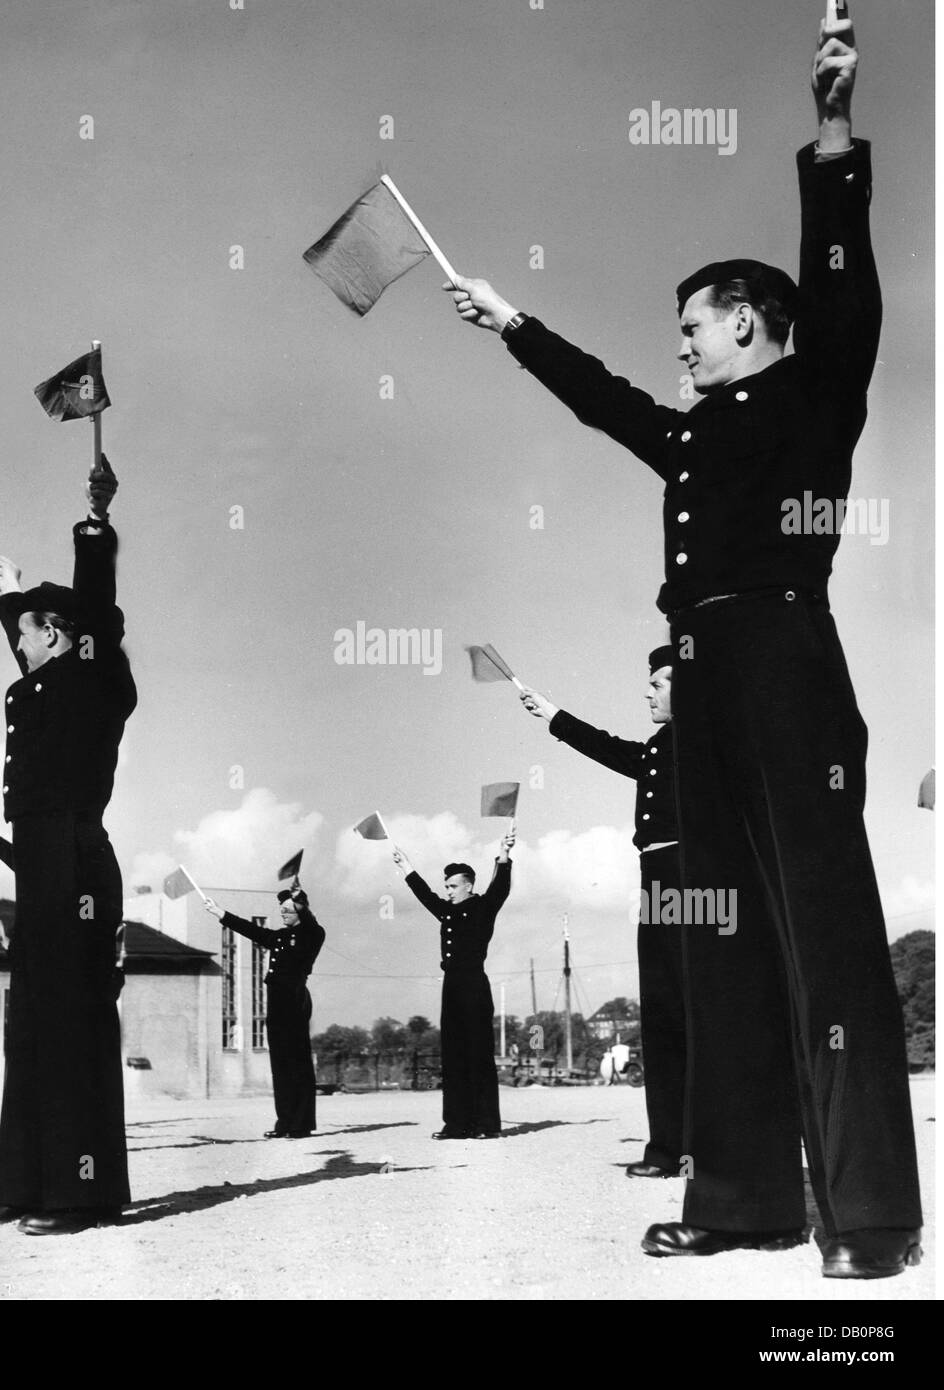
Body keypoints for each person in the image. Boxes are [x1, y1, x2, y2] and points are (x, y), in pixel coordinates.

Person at [441, 13, 921, 1278]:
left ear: (754, 324)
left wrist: (829, 138)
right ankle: (742, 1199)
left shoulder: (815, 393)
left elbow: (839, 286)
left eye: (696, 323)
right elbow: (609, 402)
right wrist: (509, 322)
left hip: (785, 663)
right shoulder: (696, 433)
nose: (682, 341)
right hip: (701, 682)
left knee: (820, 930)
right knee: (719, 944)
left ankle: (866, 1215)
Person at [0, 457, 137, 1237]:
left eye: (28, 630)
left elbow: (93, 616)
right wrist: (7, 587)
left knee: (71, 1021)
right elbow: (25, 625)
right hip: (38, 862)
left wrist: (93, 530)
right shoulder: (38, 682)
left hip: (74, 860)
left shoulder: (95, 679)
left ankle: (81, 1192)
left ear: (60, 636)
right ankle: (27, 1186)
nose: (17, 641)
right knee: (30, 1022)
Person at [520, 646, 684, 1177]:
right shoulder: (661, 747)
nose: (647, 691)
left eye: (660, 682)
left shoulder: (711, 742)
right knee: (663, 1016)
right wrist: (552, 715)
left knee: (702, 1014)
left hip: (699, 879)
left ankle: (709, 1147)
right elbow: (614, 751)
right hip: (656, 881)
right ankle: (669, 1147)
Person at [391, 828, 514, 1139]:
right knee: (454, 1055)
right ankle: (457, 1124)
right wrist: (406, 867)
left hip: (474, 984)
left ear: (469, 886)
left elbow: (500, 888)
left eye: (453, 886)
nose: (447, 891)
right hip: (452, 986)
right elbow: (425, 896)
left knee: (478, 1055)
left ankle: (486, 1124)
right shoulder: (446, 911)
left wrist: (503, 856)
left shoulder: (484, 907)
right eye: (446, 886)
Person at [200, 881, 326, 1138]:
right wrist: (220, 913)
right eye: (282, 911)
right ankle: (285, 1122)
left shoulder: (312, 933)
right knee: (279, 1063)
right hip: (276, 1001)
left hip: (295, 999)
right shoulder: (278, 936)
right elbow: (250, 930)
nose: (284, 914)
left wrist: (298, 896)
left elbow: (310, 925)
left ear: (301, 911)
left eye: (288, 911)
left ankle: (301, 1124)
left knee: (298, 1062)